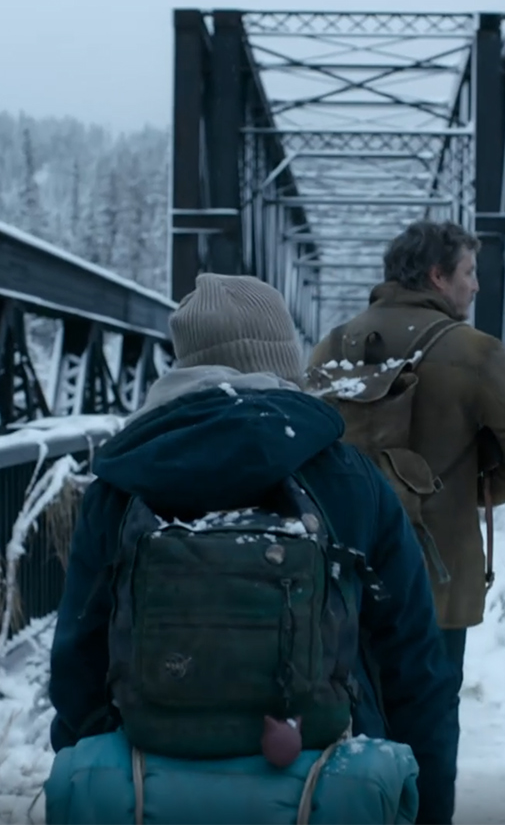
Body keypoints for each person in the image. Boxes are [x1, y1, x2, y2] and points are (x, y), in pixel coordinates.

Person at [48, 272, 461, 824]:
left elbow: (77, 667)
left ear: (184, 360)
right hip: (329, 793)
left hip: (148, 795)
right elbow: (417, 669)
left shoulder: (121, 486)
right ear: (283, 357)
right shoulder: (351, 480)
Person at [308, 220, 505, 691]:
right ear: (437, 276)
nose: (476, 285)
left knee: (354, 709)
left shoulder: (331, 346)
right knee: (429, 713)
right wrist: (469, 492)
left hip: (344, 575)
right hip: (436, 580)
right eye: (469, 271)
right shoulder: (476, 351)